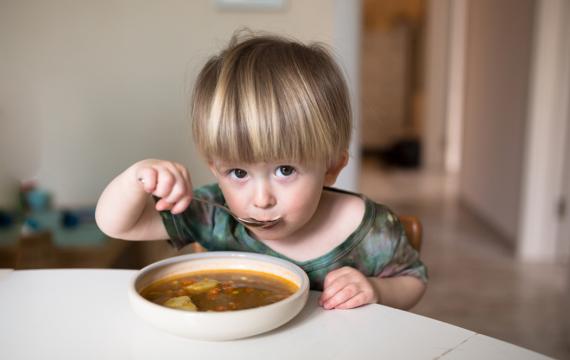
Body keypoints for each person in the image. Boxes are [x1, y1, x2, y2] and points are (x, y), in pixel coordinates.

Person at [95, 32, 427, 310]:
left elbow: (413, 279)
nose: (261, 199)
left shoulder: (370, 230)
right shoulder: (213, 213)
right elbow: (117, 225)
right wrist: (137, 177)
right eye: (238, 173)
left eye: (285, 170)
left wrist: (376, 290)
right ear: (215, 168)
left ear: (331, 167)